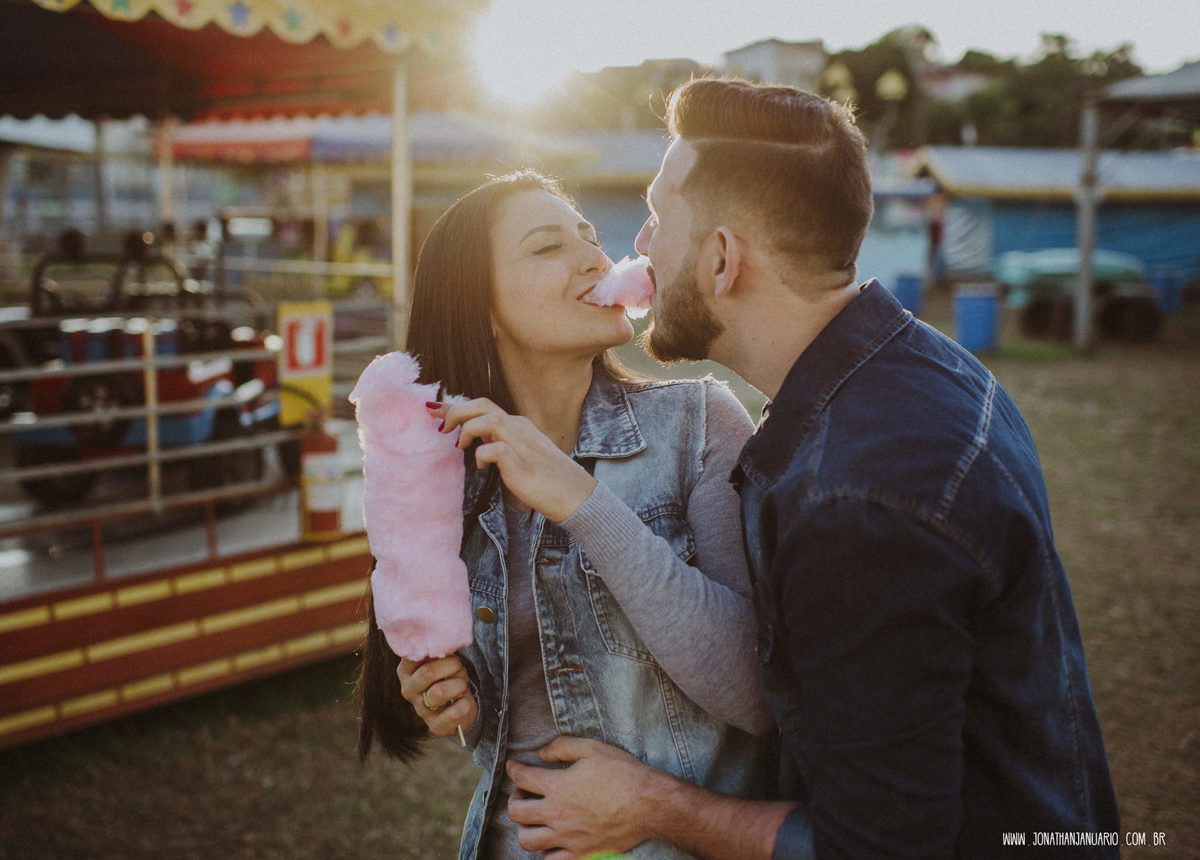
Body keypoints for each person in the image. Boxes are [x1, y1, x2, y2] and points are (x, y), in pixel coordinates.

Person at [506, 79, 1120, 858]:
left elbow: (875, 848)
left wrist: (653, 806)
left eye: (659, 217)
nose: (640, 245)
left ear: (722, 259)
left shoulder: (856, 502)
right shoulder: (921, 366)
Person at [355, 170, 777, 859]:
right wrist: (451, 697)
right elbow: (518, 710)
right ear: (482, 308)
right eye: (548, 246)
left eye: (590, 238)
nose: (596, 259)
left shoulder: (698, 425)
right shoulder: (444, 477)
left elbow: (755, 694)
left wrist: (584, 503)